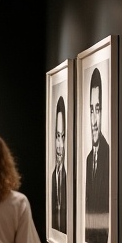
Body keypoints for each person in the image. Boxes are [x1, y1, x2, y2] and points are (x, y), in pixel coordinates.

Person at [84, 68, 110, 243]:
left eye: (98, 110)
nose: (94, 120)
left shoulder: (109, 156)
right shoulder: (87, 160)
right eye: (91, 110)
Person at [50, 95, 67, 233]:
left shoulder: (69, 178)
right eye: (57, 136)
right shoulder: (52, 177)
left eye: (63, 137)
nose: (59, 146)